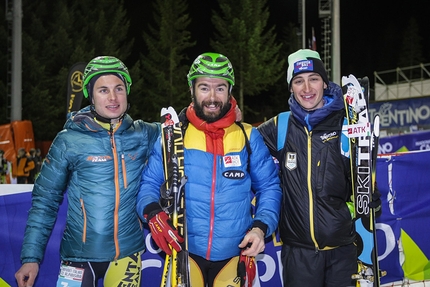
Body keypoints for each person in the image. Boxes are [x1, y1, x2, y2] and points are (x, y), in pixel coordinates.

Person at [136, 52, 282, 287]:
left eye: (220, 88)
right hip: (184, 253)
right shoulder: (174, 136)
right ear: (192, 90)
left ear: (230, 91)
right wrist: (153, 214)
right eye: (204, 87)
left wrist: (260, 227)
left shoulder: (247, 136)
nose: (212, 97)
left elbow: (269, 188)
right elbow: (149, 185)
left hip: (235, 254)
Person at [15, 56, 160, 287]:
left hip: (126, 255)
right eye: (103, 90)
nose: (112, 97)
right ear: (91, 95)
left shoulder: (143, 133)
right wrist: (31, 258)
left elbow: (184, 130)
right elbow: (45, 201)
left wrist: (230, 117)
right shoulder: (68, 140)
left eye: (119, 88)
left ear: (127, 92)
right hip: (78, 257)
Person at [257, 49, 381, 287]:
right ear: (291, 87)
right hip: (298, 253)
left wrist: (367, 197)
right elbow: (240, 144)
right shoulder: (280, 126)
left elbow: (363, 176)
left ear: (325, 83)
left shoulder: (347, 125)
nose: (307, 88)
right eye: (298, 81)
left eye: (313, 79)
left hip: (343, 249)